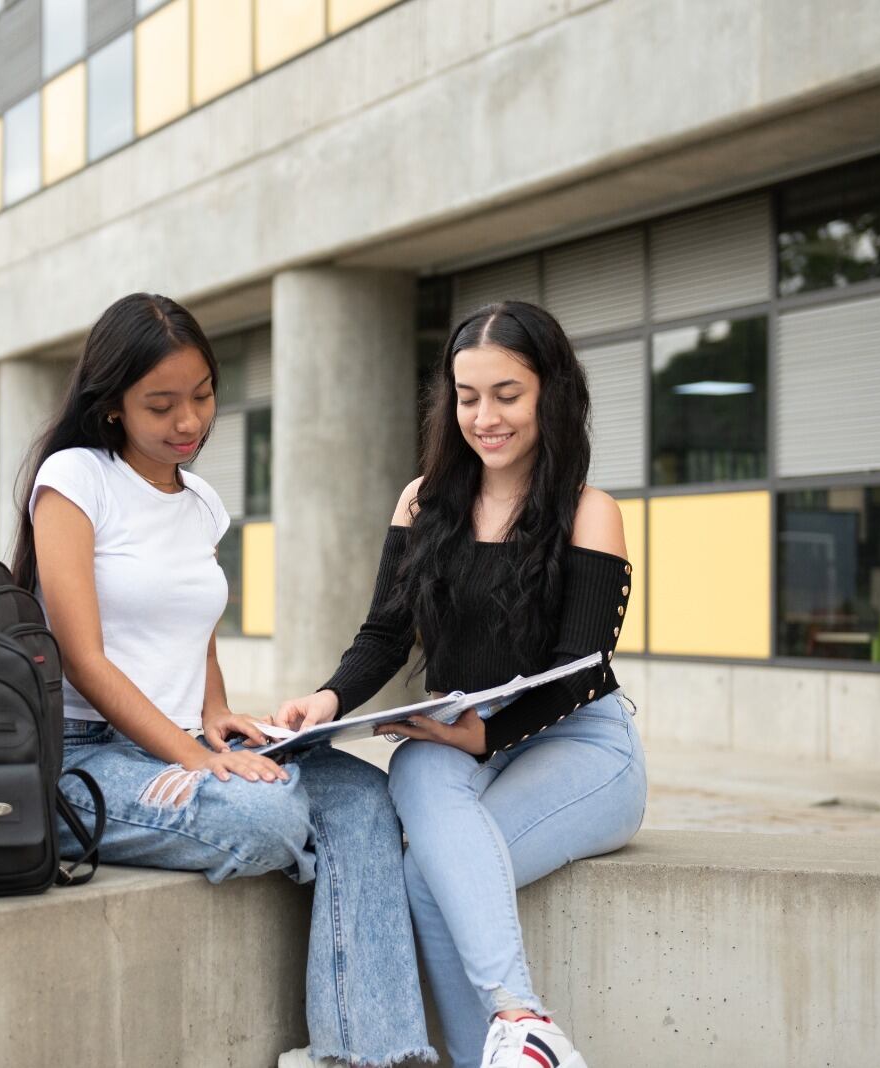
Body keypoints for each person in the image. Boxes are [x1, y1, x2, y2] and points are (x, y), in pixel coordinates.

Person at [10, 292, 432, 1068]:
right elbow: (84, 658)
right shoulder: (76, 480)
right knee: (265, 817)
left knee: (364, 796)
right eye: (161, 404)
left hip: (175, 741)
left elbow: (193, 623)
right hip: (84, 757)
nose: (189, 422)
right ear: (111, 407)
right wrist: (196, 759)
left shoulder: (200, 500)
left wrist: (216, 714)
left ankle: (370, 1056)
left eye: (202, 394)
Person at [274, 301, 646, 1068]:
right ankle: (519, 1040)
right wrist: (328, 700)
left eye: (507, 394)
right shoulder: (422, 501)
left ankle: (516, 1022)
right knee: (416, 763)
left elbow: (582, 670)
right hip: (455, 729)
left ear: (552, 393)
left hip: (578, 742)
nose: (485, 417)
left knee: (430, 875)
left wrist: (488, 733)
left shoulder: (589, 512)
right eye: (467, 396)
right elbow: (385, 633)